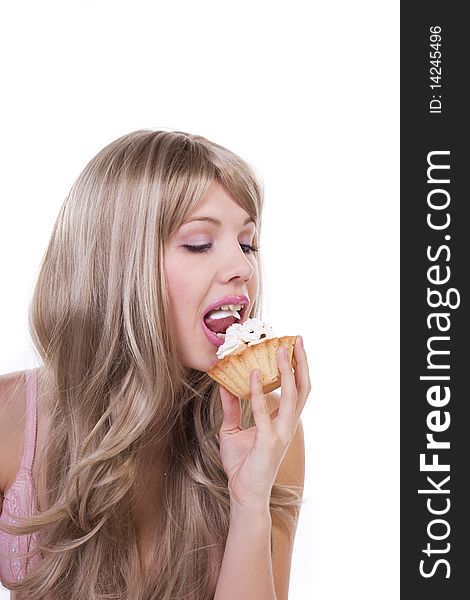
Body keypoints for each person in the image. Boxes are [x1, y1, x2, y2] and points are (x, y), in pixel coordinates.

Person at [0, 129, 311, 600]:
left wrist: (249, 503)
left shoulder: (266, 433)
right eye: (200, 243)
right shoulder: (9, 419)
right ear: (116, 266)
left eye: (247, 244)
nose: (242, 268)